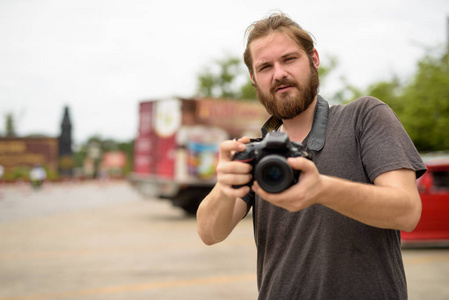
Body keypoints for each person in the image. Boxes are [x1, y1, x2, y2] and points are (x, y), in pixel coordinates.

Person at [196, 12, 427, 300]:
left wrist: (322, 189)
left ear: (314, 59)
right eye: (265, 66)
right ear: (254, 80)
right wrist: (224, 186)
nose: (279, 73)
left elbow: (407, 211)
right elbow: (209, 233)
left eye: (289, 59)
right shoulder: (261, 153)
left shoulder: (364, 117)